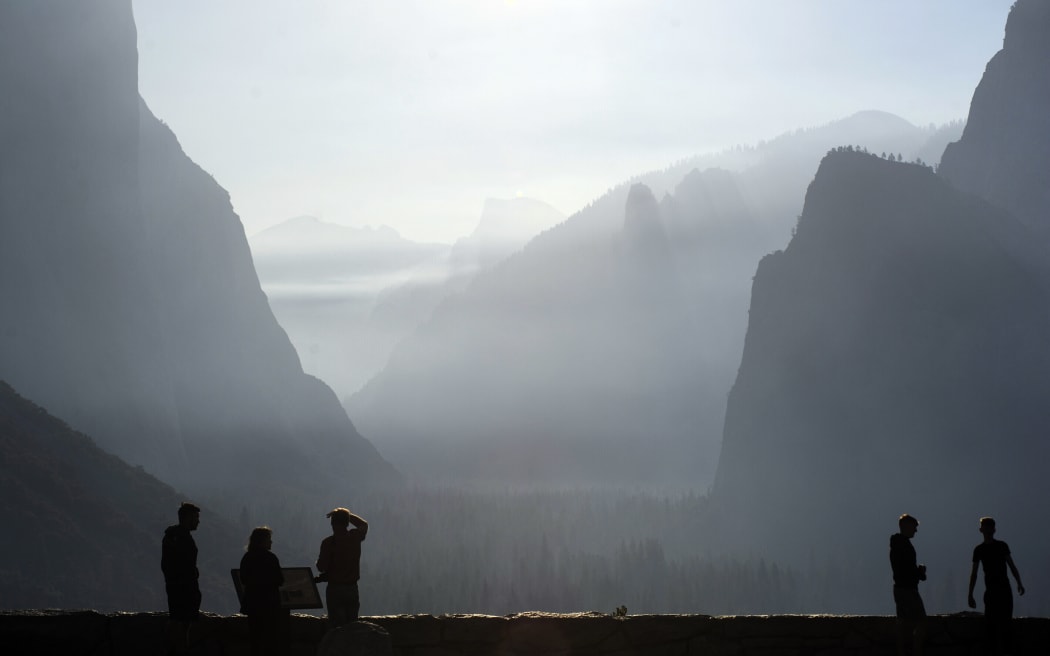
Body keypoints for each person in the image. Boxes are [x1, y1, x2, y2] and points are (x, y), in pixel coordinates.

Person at [968, 517, 1025, 655]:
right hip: (999, 591)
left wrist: (970, 594)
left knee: (995, 627)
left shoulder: (981, 549)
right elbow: (1011, 566)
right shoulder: (998, 546)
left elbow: (974, 573)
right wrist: (1018, 583)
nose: (986, 530)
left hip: (997, 591)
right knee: (1000, 626)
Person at [239, 526, 289, 656]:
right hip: (270, 605)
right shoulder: (271, 558)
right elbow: (279, 579)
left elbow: (243, 579)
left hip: (253, 605)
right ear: (262, 541)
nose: (271, 542)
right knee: (271, 640)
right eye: (269, 539)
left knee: (255, 640)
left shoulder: (247, 557)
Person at [315, 507, 368, 626]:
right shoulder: (355, 537)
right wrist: (348, 515)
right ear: (347, 523)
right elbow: (363, 524)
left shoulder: (328, 543)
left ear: (332, 524)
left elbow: (321, 567)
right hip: (352, 589)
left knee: (336, 626)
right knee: (352, 625)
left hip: (335, 590)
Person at [161, 502, 202, 651]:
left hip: (179, 586)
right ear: (187, 517)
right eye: (196, 517)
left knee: (181, 621)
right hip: (182, 588)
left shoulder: (174, 537)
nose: (198, 521)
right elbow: (178, 565)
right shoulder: (180, 538)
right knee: (180, 621)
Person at [890, 513, 927, 656]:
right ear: (906, 526)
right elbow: (907, 569)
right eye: (914, 527)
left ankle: (901, 651)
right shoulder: (904, 545)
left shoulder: (896, 544)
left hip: (899, 588)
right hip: (908, 589)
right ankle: (916, 651)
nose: (916, 531)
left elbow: (903, 567)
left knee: (902, 622)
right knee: (922, 622)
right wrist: (920, 573)